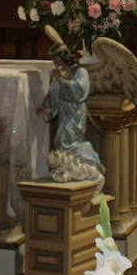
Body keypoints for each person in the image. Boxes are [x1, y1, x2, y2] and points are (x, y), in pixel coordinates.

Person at [38, 40, 104, 183]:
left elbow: (80, 92)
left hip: (75, 114)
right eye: (53, 61)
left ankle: (77, 167)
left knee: (65, 140)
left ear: (63, 57)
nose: (55, 64)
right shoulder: (59, 73)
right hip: (64, 113)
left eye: (56, 60)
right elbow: (53, 93)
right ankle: (67, 168)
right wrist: (45, 106)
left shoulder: (80, 71)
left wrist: (61, 80)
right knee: (60, 141)